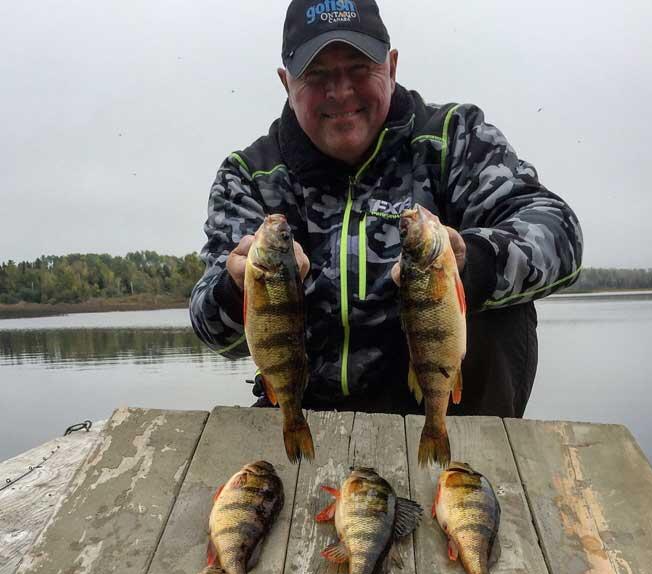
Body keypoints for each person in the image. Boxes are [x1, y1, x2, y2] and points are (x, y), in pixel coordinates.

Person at [190, 0, 582, 418]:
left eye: (359, 68)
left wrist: (472, 265)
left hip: (454, 414)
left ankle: (468, 458)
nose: (340, 92)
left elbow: (559, 233)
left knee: (498, 301)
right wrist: (239, 292)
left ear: (391, 68)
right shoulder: (251, 173)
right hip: (307, 416)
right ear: (286, 83)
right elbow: (212, 330)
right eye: (316, 74)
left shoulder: (454, 138)